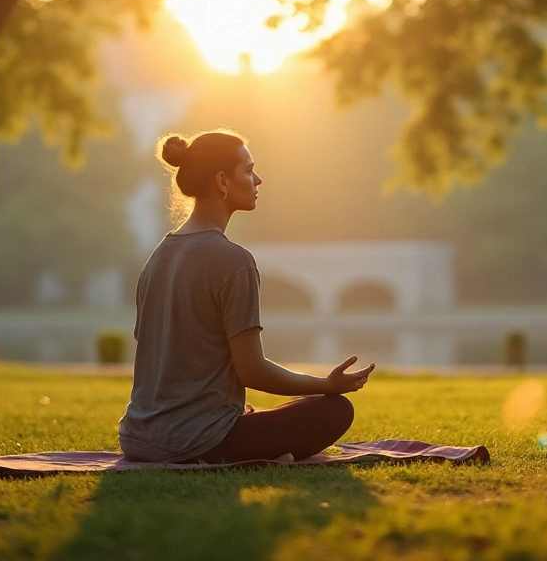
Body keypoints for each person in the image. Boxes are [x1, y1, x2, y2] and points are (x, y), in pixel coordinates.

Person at [118, 129, 376, 464]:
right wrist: (326, 385)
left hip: (138, 438)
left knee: (282, 412)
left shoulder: (158, 256)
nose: (258, 179)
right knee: (334, 410)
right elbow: (252, 371)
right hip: (196, 442)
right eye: (249, 170)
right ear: (223, 181)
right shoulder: (233, 260)